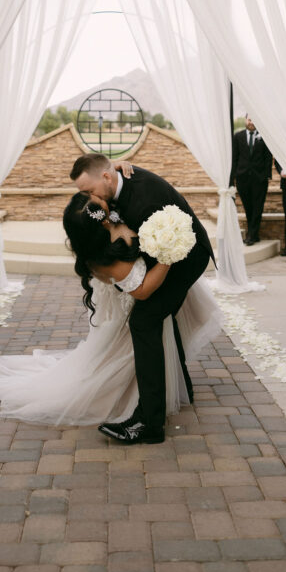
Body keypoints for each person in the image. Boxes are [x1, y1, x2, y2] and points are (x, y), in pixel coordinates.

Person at [0, 184, 221, 433]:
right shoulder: (107, 260)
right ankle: (144, 408)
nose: (106, 199)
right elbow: (142, 291)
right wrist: (167, 252)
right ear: (100, 220)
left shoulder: (108, 224)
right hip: (132, 311)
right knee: (133, 354)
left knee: (158, 341)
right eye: (102, 202)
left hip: (145, 305)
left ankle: (169, 390)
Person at [71, 153, 215, 445]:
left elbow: (149, 283)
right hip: (161, 253)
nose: (88, 198)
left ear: (107, 178)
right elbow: (102, 183)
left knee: (144, 320)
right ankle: (181, 383)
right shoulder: (116, 179)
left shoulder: (144, 204)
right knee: (159, 315)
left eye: (88, 191)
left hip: (185, 257)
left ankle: (149, 423)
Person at [231, 115, 272, 245]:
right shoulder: (238, 137)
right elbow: (234, 158)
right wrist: (234, 176)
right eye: (249, 119)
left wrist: (265, 176)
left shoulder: (264, 137)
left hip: (259, 180)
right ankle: (254, 234)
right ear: (245, 120)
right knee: (248, 207)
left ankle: (251, 235)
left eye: (254, 119)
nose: (251, 122)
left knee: (257, 207)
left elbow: (268, 158)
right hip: (242, 178)